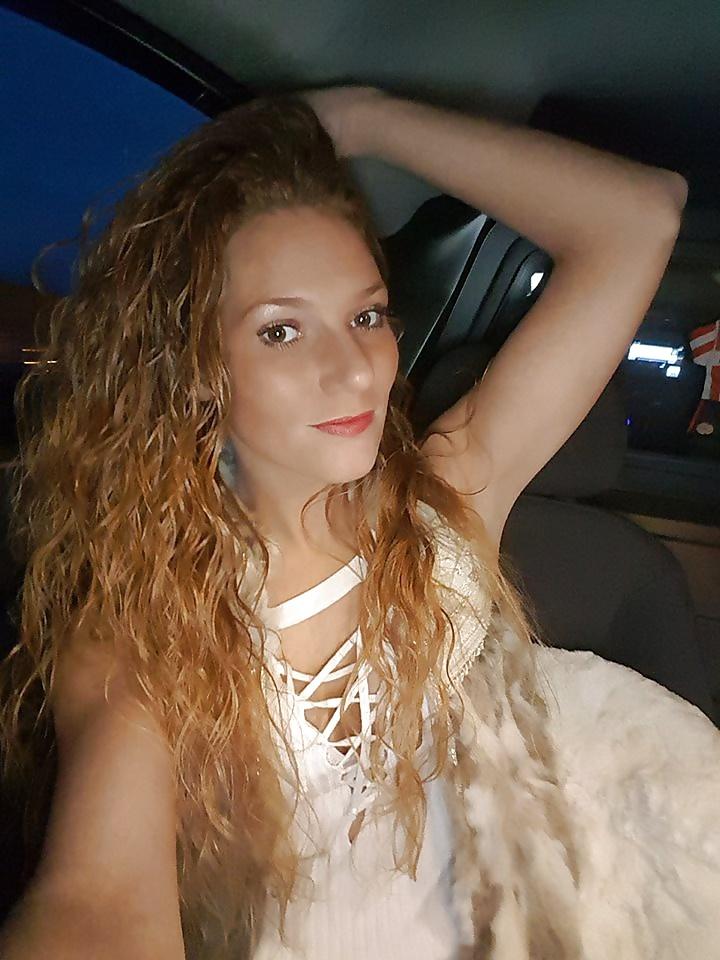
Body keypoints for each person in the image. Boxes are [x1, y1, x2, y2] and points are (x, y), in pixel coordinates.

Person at [0, 86, 717, 960]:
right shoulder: (148, 624)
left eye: (366, 315)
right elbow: (98, 902)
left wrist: (363, 117)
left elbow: (643, 218)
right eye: (280, 331)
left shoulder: (444, 506)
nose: (352, 370)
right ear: (193, 368)